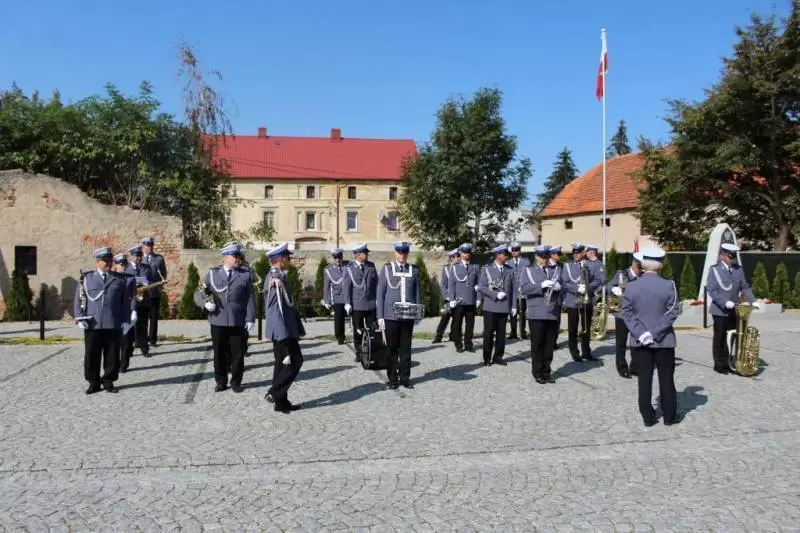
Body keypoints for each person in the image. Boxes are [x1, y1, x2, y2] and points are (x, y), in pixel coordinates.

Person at [620, 247, 681, 427]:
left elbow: (627, 313)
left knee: (644, 380)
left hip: (640, 341)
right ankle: (669, 417)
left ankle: (648, 416)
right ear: (660, 265)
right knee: (666, 379)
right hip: (664, 340)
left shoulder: (631, 286)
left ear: (642, 264)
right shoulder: (669, 285)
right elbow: (672, 312)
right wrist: (654, 333)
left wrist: (642, 333)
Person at [194, 244, 255, 393]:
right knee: (219, 353)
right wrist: (204, 304)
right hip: (218, 319)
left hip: (237, 320)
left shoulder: (245, 274)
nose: (238, 259)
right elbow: (198, 293)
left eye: (239, 256)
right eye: (235, 256)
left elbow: (250, 298)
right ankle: (220, 381)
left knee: (237, 353)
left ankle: (236, 382)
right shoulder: (213, 274)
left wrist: (251, 318)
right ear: (226, 257)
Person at [73, 247, 135, 394]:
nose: (108, 263)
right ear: (98, 262)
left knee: (112, 354)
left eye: (110, 260)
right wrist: (79, 317)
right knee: (91, 355)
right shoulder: (87, 278)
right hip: (93, 323)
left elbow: (125, 302)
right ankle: (93, 382)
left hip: (112, 322)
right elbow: (79, 299)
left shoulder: (119, 279)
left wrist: (126, 320)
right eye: (105, 261)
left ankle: (108, 381)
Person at [705, 242, 759, 374]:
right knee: (720, 338)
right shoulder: (715, 270)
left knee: (732, 337)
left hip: (735, 309)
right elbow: (712, 290)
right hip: (720, 310)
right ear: (722, 256)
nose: (732, 259)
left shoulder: (738, 269)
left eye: (734, 256)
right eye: (730, 256)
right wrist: (725, 302)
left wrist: (752, 301)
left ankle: (729, 362)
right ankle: (719, 364)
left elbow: (744, 286)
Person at [263, 243, 304, 413]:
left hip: (286, 329)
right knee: (296, 360)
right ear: (280, 259)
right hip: (282, 330)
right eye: (288, 257)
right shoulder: (275, 279)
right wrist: (282, 334)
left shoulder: (279, 276)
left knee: (281, 366)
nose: (289, 260)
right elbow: (273, 309)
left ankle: (281, 402)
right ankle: (274, 393)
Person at [376, 241, 422, 389]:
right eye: (399, 252)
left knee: (406, 348)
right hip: (391, 316)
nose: (402, 255)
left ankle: (405, 378)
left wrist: (417, 314)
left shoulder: (414, 270)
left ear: (408, 253)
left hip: (408, 315)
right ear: (395, 253)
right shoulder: (387, 269)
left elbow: (416, 293)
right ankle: (392, 379)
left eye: (405, 252)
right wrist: (380, 316)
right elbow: (380, 294)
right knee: (392, 349)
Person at [519, 245, 562, 384]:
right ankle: (537, 372)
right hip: (536, 313)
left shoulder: (555, 270)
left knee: (549, 345)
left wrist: (559, 288)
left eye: (546, 257)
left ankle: (547, 372)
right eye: (542, 257)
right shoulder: (528, 271)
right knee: (537, 344)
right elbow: (523, 289)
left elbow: (563, 287)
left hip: (552, 312)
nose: (545, 260)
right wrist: (540, 285)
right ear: (536, 256)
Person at [477, 245, 516, 366]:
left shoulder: (510, 270)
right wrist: (495, 294)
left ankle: (498, 357)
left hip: (504, 307)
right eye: (505, 254)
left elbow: (513, 289)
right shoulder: (487, 269)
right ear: (498, 255)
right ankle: (487, 358)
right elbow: (481, 287)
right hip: (491, 306)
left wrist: (514, 305)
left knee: (501, 334)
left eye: (507, 254)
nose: (507, 256)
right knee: (488, 333)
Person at [607, 255, 642, 378]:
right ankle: (622, 367)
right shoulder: (622, 274)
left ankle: (635, 367)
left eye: (641, 267)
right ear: (633, 263)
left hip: (637, 313)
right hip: (622, 313)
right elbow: (608, 286)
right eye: (638, 266)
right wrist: (614, 288)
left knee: (637, 341)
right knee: (621, 342)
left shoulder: (642, 276)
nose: (639, 269)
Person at [343, 243, 378, 363]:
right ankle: (359, 352)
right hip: (357, 304)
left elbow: (376, 284)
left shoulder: (371, 266)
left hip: (371, 303)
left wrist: (378, 299)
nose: (367, 255)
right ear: (358, 255)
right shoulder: (349, 268)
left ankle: (372, 350)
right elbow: (346, 287)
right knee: (358, 330)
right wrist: (347, 302)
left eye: (366, 253)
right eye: (364, 253)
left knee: (372, 329)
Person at [561, 243, 596, 362]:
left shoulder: (590, 265)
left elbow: (598, 280)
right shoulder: (568, 266)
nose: (575, 255)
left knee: (586, 327)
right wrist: (576, 288)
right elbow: (564, 282)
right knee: (573, 328)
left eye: (578, 252)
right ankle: (574, 352)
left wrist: (588, 287)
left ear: (583, 253)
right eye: (574, 253)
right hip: (573, 300)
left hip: (586, 300)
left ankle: (586, 351)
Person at [448, 243, 479, 353]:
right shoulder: (454, 267)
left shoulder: (475, 267)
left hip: (471, 300)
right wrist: (451, 299)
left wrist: (479, 298)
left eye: (469, 252)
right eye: (465, 252)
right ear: (460, 253)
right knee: (457, 324)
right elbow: (451, 285)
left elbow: (479, 284)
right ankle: (458, 344)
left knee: (470, 324)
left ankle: (468, 344)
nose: (467, 254)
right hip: (459, 301)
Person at [125, 245, 155, 358]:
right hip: (130, 301)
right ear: (131, 256)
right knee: (130, 327)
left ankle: (144, 348)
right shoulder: (126, 268)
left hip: (143, 300)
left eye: (139, 256)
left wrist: (147, 283)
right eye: (136, 256)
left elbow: (151, 280)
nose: (138, 258)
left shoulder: (146, 268)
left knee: (143, 325)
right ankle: (129, 350)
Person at [111, 253, 137, 372]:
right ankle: (114, 363)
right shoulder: (110, 277)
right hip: (114, 313)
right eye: (121, 264)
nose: (123, 267)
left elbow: (134, 296)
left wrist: (134, 310)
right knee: (114, 341)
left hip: (127, 312)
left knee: (126, 341)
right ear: (115, 265)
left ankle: (124, 365)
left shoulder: (130, 278)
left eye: (125, 264)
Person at [141, 237, 167, 347]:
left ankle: (152, 340)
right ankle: (141, 340)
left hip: (154, 292)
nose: (150, 248)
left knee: (153, 317)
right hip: (142, 293)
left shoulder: (159, 259)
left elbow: (163, 274)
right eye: (147, 246)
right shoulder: (139, 258)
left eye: (151, 246)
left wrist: (159, 284)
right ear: (143, 247)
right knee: (142, 318)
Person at [432, 248, 459, 344]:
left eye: (458, 256)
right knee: (445, 317)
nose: (458, 258)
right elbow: (443, 285)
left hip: (458, 298)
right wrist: (446, 296)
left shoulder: (461, 268)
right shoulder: (447, 269)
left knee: (456, 318)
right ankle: (438, 336)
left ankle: (453, 336)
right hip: (448, 298)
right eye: (456, 257)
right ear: (451, 258)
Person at [322, 248, 348, 345]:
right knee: (339, 319)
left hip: (348, 297)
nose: (338, 259)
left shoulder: (347, 267)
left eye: (339, 257)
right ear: (333, 258)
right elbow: (327, 286)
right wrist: (327, 300)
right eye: (336, 257)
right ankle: (340, 337)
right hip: (337, 298)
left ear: (342, 257)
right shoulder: (329, 270)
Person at [507, 242, 531, 340]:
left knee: (522, 313)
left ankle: (522, 332)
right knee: (512, 313)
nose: (514, 252)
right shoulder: (508, 263)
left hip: (522, 292)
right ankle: (513, 332)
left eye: (516, 250)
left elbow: (529, 276)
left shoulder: (526, 262)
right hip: (512, 292)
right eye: (512, 250)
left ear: (520, 251)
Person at [548, 246, 564, 350]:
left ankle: (554, 341)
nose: (559, 256)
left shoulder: (561, 266)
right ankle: (547, 341)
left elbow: (564, 280)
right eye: (558, 254)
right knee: (548, 320)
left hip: (558, 297)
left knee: (557, 321)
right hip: (547, 298)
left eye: (560, 254)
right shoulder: (546, 265)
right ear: (552, 254)